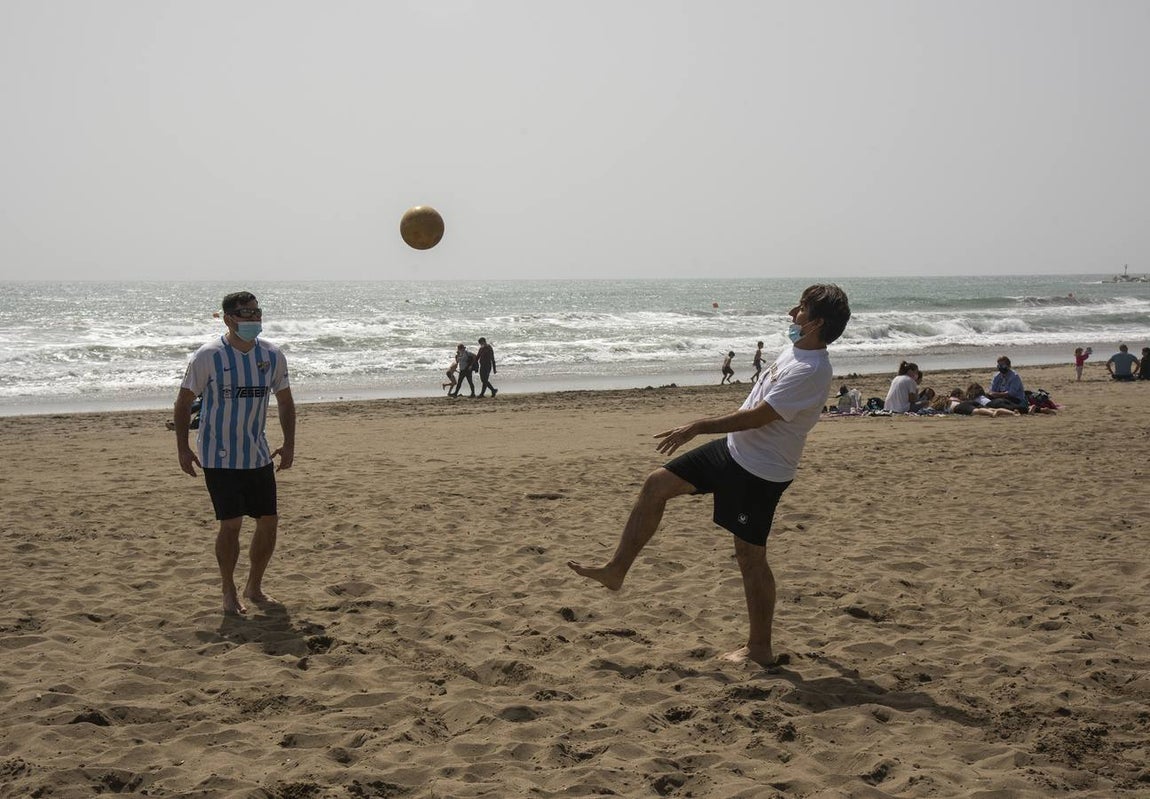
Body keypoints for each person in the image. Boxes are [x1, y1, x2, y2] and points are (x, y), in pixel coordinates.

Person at [567, 284, 851, 667]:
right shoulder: (798, 350)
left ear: (816, 323)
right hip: (735, 450)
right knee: (656, 484)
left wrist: (698, 425)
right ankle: (616, 570)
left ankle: (759, 649)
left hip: (759, 471)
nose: (791, 313)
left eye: (800, 310)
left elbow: (759, 416)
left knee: (750, 557)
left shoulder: (811, 370)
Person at [174, 291, 295, 615]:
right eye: (246, 314)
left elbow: (285, 401)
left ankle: (254, 586)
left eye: (257, 313)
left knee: (269, 521)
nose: (254, 319)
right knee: (231, 524)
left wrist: (290, 443)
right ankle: (229, 590)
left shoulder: (271, 355)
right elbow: (184, 402)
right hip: (219, 456)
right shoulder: (208, 356)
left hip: (257, 454)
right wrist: (183, 448)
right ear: (229, 319)